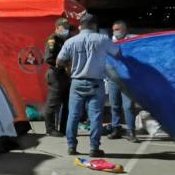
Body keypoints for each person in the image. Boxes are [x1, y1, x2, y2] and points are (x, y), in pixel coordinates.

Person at [57, 12, 118, 156]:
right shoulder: (103, 39)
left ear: (80, 26)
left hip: (76, 82)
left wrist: (69, 66)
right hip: (96, 83)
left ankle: (71, 146)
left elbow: (59, 61)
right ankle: (94, 148)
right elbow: (117, 53)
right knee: (95, 116)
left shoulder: (70, 41)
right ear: (94, 25)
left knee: (73, 115)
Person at [107, 20, 140, 143]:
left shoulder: (131, 40)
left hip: (127, 79)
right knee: (114, 105)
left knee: (128, 106)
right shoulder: (109, 42)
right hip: (113, 79)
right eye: (114, 29)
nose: (116, 32)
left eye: (118, 29)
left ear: (125, 30)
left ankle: (131, 131)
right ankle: (116, 129)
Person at [43, 18, 72, 136]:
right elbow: (48, 58)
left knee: (67, 103)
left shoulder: (66, 40)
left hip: (66, 76)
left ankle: (64, 129)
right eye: (63, 27)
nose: (66, 30)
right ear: (57, 27)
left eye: (67, 27)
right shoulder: (53, 39)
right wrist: (63, 65)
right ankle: (50, 129)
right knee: (53, 103)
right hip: (56, 74)